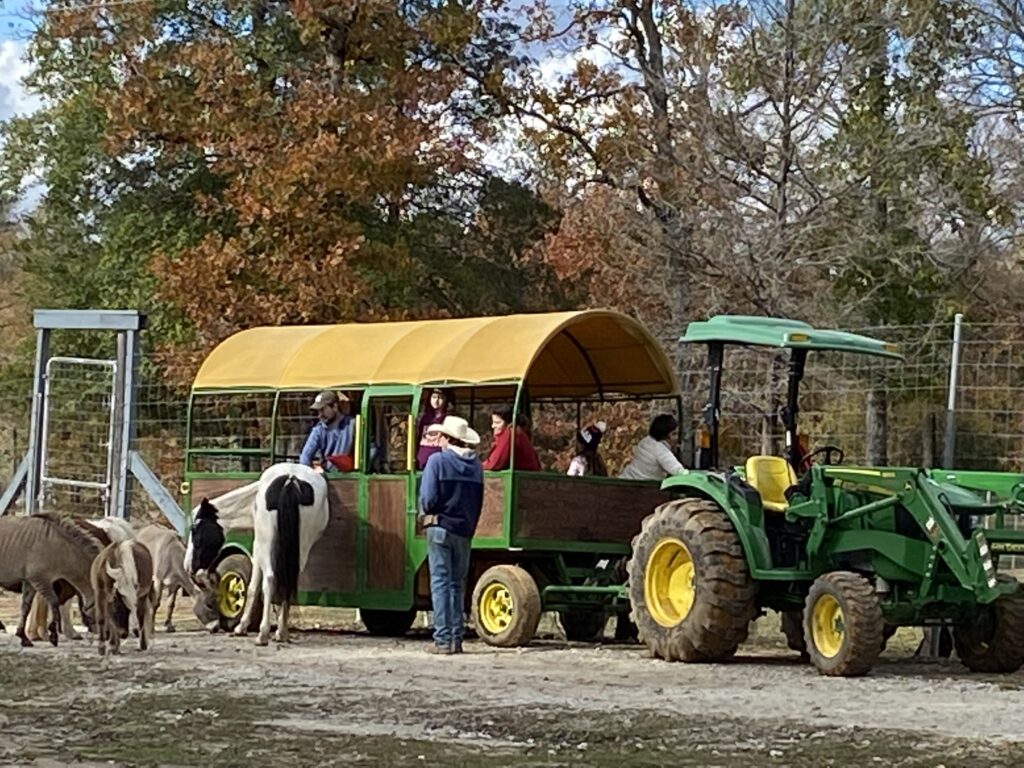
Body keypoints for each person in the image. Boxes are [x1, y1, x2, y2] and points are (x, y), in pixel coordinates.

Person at [418, 415, 484, 655]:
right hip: (464, 530)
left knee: (440, 583)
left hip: (440, 527)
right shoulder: (476, 466)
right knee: (457, 585)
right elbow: (478, 502)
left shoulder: (437, 462)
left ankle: (443, 639)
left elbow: (428, 499)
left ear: (447, 438)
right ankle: (457, 638)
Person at [299, 389, 355, 471]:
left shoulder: (353, 425)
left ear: (335, 407)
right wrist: (311, 472)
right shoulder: (319, 430)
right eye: (318, 411)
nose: (320, 415)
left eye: (322, 410)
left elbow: (371, 449)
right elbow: (305, 456)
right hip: (327, 477)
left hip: (351, 477)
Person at [618, 413, 685, 480]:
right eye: (674, 434)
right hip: (639, 486)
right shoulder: (661, 450)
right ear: (665, 435)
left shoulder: (646, 441)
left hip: (625, 479)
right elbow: (679, 471)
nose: (676, 438)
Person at [482, 404, 541, 471]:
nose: (493, 426)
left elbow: (495, 462)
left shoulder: (510, 433)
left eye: (497, 423)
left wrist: (478, 467)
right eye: (493, 422)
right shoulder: (518, 432)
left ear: (509, 423)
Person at [416, 388, 451, 470]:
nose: (436, 400)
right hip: (423, 460)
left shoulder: (448, 418)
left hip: (441, 461)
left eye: (440, 397)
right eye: (434, 397)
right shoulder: (423, 417)